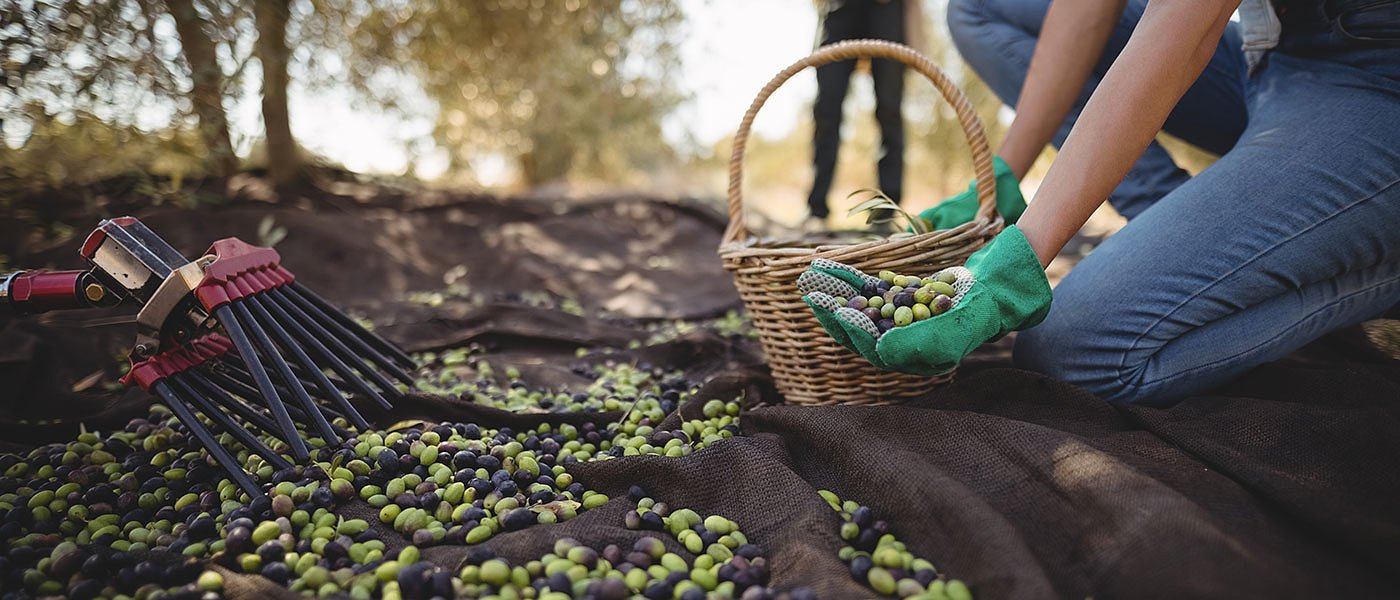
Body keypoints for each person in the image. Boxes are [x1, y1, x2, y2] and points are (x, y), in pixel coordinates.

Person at [803, 0, 1400, 406]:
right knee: (980, 5)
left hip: (1376, 77)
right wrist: (1005, 175)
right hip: (1267, 59)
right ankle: (1193, 222)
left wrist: (1017, 264)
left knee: (1076, 349)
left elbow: (1183, 26)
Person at [805, 0, 910, 230]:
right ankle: (816, 210)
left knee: (890, 108)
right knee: (826, 108)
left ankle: (886, 213)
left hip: (887, 8)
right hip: (838, 8)